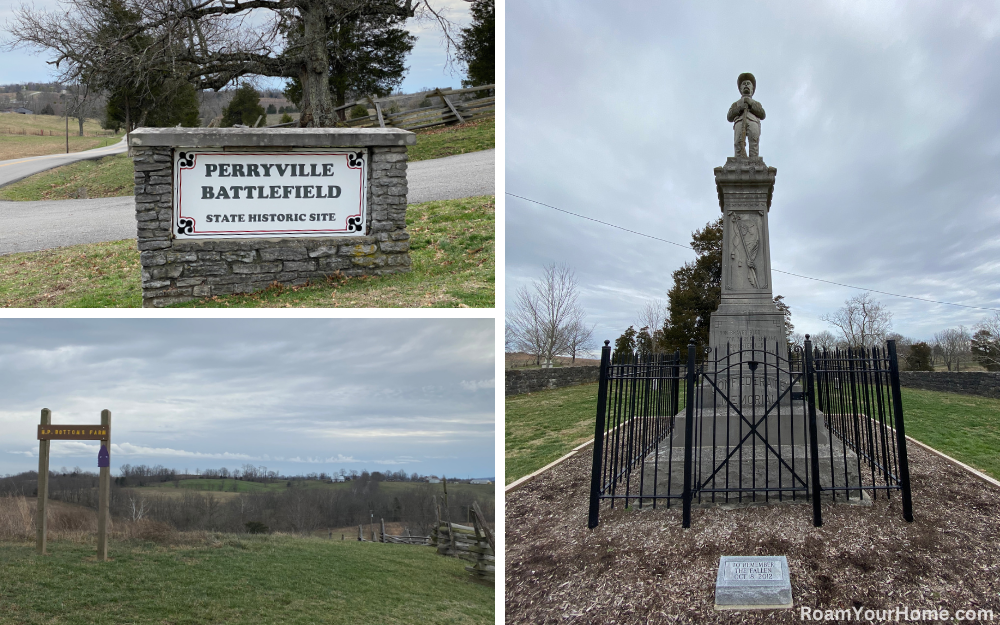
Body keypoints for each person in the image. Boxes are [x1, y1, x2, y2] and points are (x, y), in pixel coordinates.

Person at [727, 73, 765, 158]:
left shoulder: (756, 103)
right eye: (744, 84)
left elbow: (762, 114)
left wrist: (751, 105)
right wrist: (739, 109)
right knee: (738, 142)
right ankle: (739, 159)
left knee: (754, 140)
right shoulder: (736, 104)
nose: (746, 85)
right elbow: (729, 116)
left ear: (752, 88)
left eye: (748, 84)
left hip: (753, 121)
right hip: (739, 121)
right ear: (740, 88)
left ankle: (754, 160)